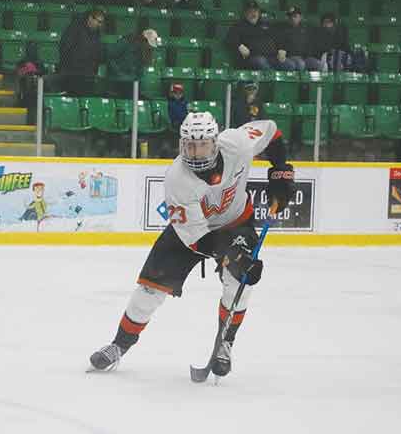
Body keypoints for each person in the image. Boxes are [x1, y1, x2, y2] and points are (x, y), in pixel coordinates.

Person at [88, 111, 295, 377]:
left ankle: (225, 344)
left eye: (202, 145)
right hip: (194, 233)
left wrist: (279, 171)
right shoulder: (177, 179)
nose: (196, 152)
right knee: (149, 291)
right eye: (190, 145)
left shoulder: (238, 143)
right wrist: (229, 256)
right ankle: (118, 345)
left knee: (239, 285)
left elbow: (272, 131)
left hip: (236, 223)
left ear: (215, 142)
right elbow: (199, 240)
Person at [57, 9, 107, 96]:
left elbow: (97, 53)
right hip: (72, 74)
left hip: (88, 75)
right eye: (98, 21)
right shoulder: (75, 28)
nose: (100, 25)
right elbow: (65, 48)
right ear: (90, 18)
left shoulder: (97, 33)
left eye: (101, 22)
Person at [224, 0, 277, 70]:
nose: (253, 14)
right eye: (250, 12)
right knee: (261, 62)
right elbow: (229, 38)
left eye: (255, 11)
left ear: (259, 13)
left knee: (289, 64)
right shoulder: (239, 26)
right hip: (251, 58)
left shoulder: (266, 25)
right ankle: (272, 79)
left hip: (270, 56)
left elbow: (278, 38)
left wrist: (282, 49)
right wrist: (240, 46)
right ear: (245, 13)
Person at [274, 6, 320, 71]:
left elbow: (310, 45)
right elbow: (280, 46)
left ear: (300, 17)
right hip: (290, 57)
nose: (292, 18)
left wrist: (309, 54)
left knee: (317, 64)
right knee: (300, 64)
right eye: (290, 17)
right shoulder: (283, 29)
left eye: (295, 16)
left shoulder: (306, 29)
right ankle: (301, 81)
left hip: (305, 57)